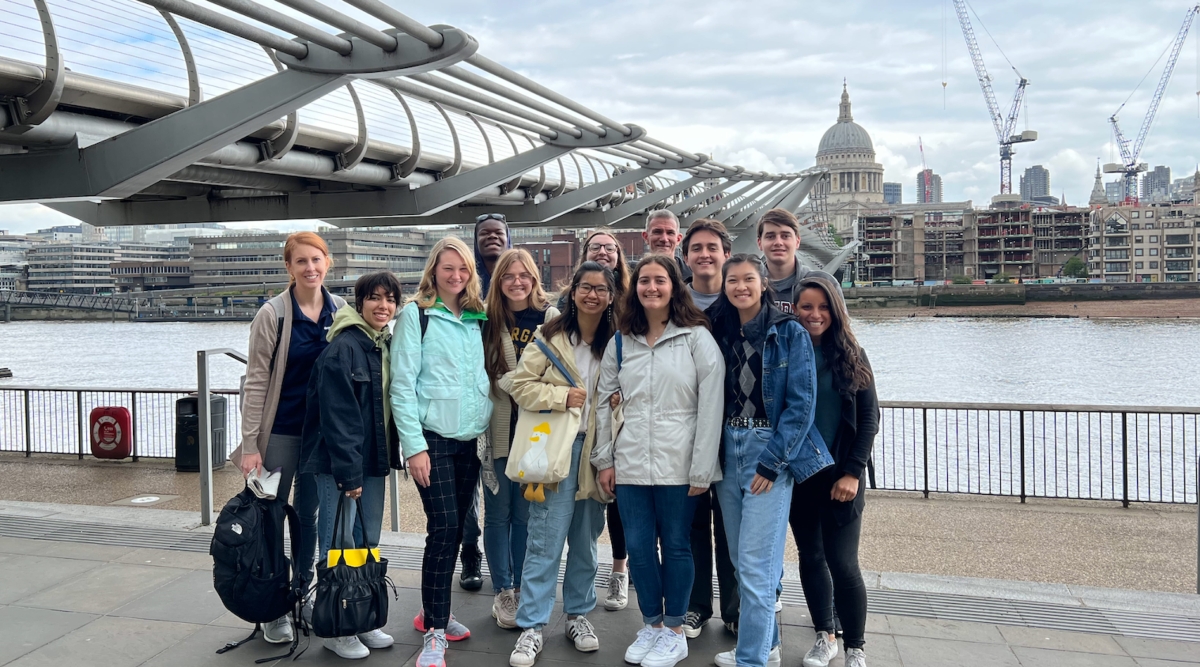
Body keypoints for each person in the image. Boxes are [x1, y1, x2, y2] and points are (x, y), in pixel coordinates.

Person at [594, 255, 724, 667]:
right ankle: (650, 624)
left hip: (679, 462)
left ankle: (673, 630)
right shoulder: (621, 340)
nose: (651, 287)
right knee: (638, 546)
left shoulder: (696, 337)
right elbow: (603, 402)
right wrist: (604, 459)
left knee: (677, 545)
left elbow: (711, 405)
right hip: (630, 460)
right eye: (644, 281)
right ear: (635, 289)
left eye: (660, 280)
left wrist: (703, 466)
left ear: (674, 287)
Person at [707, 255, 834, 667]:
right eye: (733, 280)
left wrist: (771, 462)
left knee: (759, 568)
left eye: (749, 279)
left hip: (767, 448)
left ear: (764, 284)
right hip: (727, 446)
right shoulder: (719, 330)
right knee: (742, 562)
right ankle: (759, 649)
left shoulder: (789, 332)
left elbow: (801, 406)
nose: (740, 286)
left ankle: (753, 660)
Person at [233, 231, 344, 647]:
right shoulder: (273, 313)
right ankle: (272, 606)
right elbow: (256, 380)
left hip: (320, 435)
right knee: (270, 517)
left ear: (327, 262)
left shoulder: (341, 310)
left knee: (310, 516)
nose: (310, 268)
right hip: (279, 432)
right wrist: (249, 445)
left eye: (316, 260)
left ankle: (303, 592)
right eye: (301, 262)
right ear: (289, 267)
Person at [504, 262, 617, 667]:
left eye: (601, 289)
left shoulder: (619, 340)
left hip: (598, 451)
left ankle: (578, 614)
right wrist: (560, 396)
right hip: (557, 448)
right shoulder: (551, 335)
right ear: (573, 293)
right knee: (544, 538)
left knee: (586, 540)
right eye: (585, 288)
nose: (592, 295)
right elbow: (518, 384)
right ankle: (532, 624)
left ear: (610, 296)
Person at [391, 237, 493, 667]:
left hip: (470, 440)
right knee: (445, 528)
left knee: (452, 532)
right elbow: (401, 383)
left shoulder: (477, 318)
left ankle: (436, 611)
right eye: (447, 268)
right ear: (433, 270)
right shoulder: (416, 316)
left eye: (463, 269)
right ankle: (434, 632)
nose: (455, 276)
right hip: (431, 439)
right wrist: (413, 447)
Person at [300, 271, 402, 660]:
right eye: (374, 298)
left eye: (390, 299)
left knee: (365, 543)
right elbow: (338, 417)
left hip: (372, 462)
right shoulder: (343, 348)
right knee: (337, 543)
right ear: (358, 303)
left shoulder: (381, 344)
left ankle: (362, 617)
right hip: (342, 466)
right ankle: (334, 626)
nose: (383, 306)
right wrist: (348, 474)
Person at [790, 272, 878, 667]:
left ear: (836, 310)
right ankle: (825, 635)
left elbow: (869, 418)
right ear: (794, 309)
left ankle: (855, 647)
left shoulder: (853, 354)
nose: (815, 314)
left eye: (823, 306)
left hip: (842, 477)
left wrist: (853, 473)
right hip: (801, 477)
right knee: (811, 558)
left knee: (843, 563)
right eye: (806, 306)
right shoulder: (787, 353)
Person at [555, 227, 633, 611]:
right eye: (595, 246)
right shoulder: (560, 321)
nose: (603, 252)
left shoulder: (631, 308)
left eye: (609, 247)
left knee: (608, 511)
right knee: (555, 528)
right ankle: (540, 611)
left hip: (617, 429)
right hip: (570, 433)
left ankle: (619, 572)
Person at [482, 249, 559, 629]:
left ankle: (523, 588)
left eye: (523, 275)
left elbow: (560, 372)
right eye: (508, 275)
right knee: (498, 513)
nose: (517, 282)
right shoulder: (488, 318)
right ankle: (503, 590)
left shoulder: (551, 318)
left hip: (536, 432)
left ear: (534, 278)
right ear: (499, 281)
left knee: (527, 513)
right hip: (498, 429)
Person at [679, 218, 740, 639]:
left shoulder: (740, 299)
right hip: (686, 426)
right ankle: (696, 606)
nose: (704, 254)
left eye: (711, 248)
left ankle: (735, 609)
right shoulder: (672, 301)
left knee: (734, 525)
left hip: (735, 427)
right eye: (696, 248)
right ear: (686, 257)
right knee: (694, 522)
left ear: (725, 255)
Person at [458, 213, 512, 591]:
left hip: (506, 399)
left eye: (498, 233)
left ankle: (508, 568)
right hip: (466, 396)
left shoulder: (515, 279)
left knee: (503, 490)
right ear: (475, 240)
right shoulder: (465, 284)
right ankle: (470, 555)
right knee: (467, 486)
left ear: (509, 239)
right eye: (485, 234)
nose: (492, 238)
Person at [755, 208, 818, 313]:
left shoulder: (822, 283)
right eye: (770, 236)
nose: (778, 242)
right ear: (759, 243)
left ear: (797, 241)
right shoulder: (748, 287)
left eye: (785, 236)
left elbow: (842, 327)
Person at [643, 209, 692, 281]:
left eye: (670, 233)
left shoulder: (695, 277)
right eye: (657, 232)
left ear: (678, 239)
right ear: (646, 237)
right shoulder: (630, 278)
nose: (664, 239)